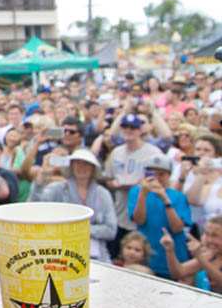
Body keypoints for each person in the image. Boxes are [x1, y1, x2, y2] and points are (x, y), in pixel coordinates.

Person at [28, 149, 117, 261]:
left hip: (97, 255)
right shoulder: (58, 188)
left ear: (93, 168)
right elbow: (35, 208)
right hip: (61, 253)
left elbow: (111, 230)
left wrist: (77, 230)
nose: (81, 167)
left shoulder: (103, 194)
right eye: (77, 163)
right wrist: (42, 176)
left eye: (86, 164)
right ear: (71, 166)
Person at [105, 113, 164, 259]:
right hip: (121, 213)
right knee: (119, 257)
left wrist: (132, 185)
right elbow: (108, 177)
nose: (129, 130)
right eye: (125, 127)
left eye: (133, 127)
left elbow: (160, 180)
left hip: (145, 214)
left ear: (140, 130)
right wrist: (113, 184)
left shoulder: (153, 152)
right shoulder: (116, 152)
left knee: (144, 257)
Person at [127, 155, 194, 280]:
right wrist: (143, 193)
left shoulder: (178, 196)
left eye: (161, 174)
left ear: (168, 175)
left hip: (171, 260)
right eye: (152, 174)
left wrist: (165, 199)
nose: (156, 178)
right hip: (146, 259)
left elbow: (177, 228)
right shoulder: (136, 191)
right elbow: (139, 220)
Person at [161, 215, 222, 294]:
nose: (209, 240)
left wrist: (200, 258)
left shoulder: (203, 256)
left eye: (215, 235)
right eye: (206, 234)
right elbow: (178, 273)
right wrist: (169, 250)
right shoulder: (209, 254)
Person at [183, 134, 222, 232]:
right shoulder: (189, 173)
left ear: (216, 154)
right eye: (198, 149)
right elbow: (192, 200)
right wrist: (202, 173)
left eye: (206, 150)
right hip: (198, 225)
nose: (201, 153)